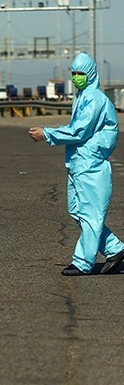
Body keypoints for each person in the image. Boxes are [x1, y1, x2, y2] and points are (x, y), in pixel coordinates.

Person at [29, 52, 124, 276]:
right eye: (73, 73)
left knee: (90, 213)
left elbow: (79, 130)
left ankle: (83, 262)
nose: (76, 77)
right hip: (80, 163)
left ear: (90, 74)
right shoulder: (83, 96)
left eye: (81, 73)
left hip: (91, 163)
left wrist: (47, 134)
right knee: (77, 210)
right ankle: (115, 249)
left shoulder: (94, 99)